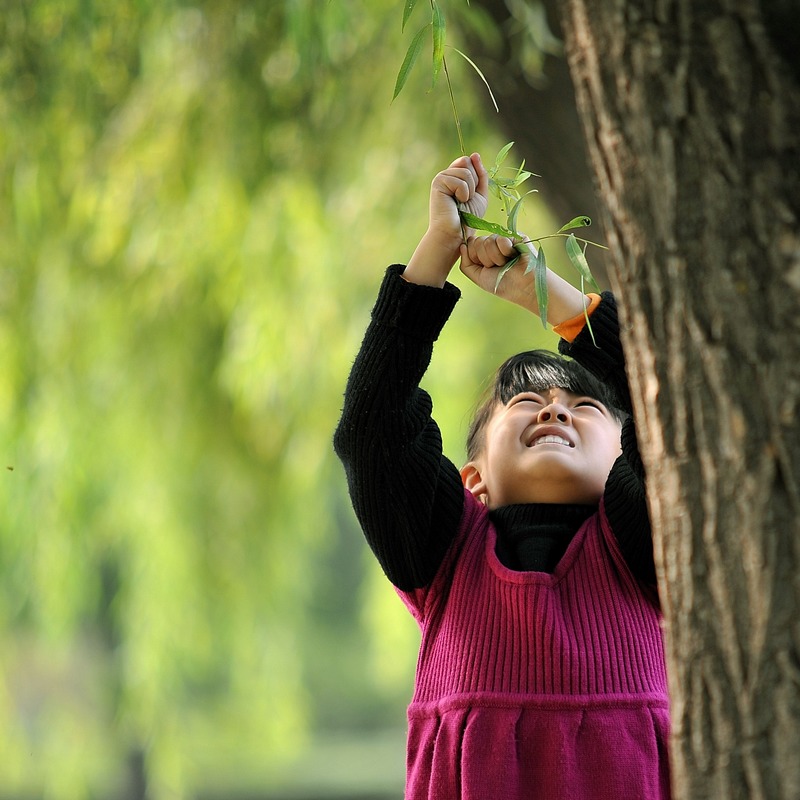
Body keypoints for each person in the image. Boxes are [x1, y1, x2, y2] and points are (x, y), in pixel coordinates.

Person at [333, 153, 670, 799]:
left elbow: (678, 409)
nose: (554, 409)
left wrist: (550, 296)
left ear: (625, 454)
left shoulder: (643, 547)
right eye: (526, 404)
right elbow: (372, 429)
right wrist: (433, 256)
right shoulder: (441, 554)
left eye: (587, 407)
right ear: (474, 478)